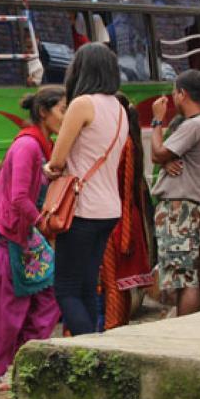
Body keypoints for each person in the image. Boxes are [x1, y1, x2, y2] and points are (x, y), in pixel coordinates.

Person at [0, 86, 65, 392]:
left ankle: (24, 357)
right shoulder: (29, 147)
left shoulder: (39, 144)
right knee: (1, 309)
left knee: (46, 295)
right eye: (63, 110)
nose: (67, 116)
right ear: (44, 113)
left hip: (19, 234)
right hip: (5, 236)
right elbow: (19, 197)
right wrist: (42, 222)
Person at [44, 43, 127, 336]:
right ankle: (92, 352)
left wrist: (47, 169)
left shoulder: (82, 104)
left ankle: (90, 350)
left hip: (81, 210)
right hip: (108, 210)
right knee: (87, 286)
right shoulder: (120, 108)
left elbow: (57, 160)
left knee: (65, 289)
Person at [149, 69, 200, 317]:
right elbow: (166, 156)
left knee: (182, 278)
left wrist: (157, 120)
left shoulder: (194, 125)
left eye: (175, 93)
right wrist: (167, 160)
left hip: (180, 211)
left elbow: (157, 153)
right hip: (192, 208)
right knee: (192, 272)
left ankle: (184, 329)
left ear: (182, 94)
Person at [98, 94, 154, 330]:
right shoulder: (131, 142)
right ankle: (116, 327)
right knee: (117, 285)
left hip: (116, 221)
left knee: (112, 284)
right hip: (124, 220)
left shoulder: (123, 145)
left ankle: (112, 331)